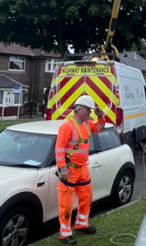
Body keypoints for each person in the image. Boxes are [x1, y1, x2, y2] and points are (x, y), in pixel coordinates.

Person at [55, 96, 107, 244]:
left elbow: (100, 128)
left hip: (82, 169)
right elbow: (59, 150)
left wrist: (100, 116)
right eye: (89, 110)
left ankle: (82, 224)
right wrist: (63, 169)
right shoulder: (67, 126)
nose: (90, 112)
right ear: (79, 109)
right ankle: (65, 234)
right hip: (69, 171)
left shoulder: (87, 123)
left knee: (86, 197)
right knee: (66, 203)